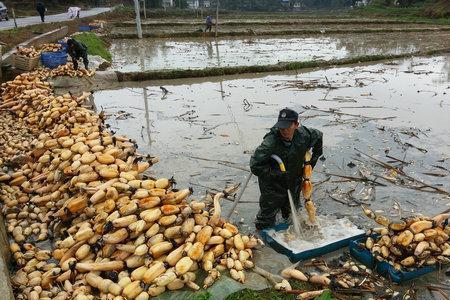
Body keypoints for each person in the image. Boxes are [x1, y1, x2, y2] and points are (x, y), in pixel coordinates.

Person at [250, 108, 323, 230]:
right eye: (281, 127)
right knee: (266, 217)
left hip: (294, 181)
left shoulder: (304, 135)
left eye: (287, 127)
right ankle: (264, 240)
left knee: (291, 211)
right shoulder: (271, 142)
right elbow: (255, 165)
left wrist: (311, 162)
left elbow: (319, 136)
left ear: (296, 125)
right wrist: (276, 175)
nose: (283, 130)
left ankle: (289, 235)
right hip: (272, 186)